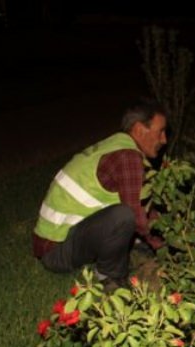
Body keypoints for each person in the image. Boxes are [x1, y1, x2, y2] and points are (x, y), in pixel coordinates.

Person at [33, 98, 167, 289]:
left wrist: (162, 226)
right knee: (124, 215)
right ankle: (110, 277)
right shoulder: (128, 157)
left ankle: (132, 245)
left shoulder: (116, 145)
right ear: (139, 130)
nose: (164, 139)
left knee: (124, 215)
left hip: (52, 242)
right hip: (56, 252)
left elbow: (141, 201)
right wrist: (161, 244)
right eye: (160, 131)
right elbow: (136, 214)